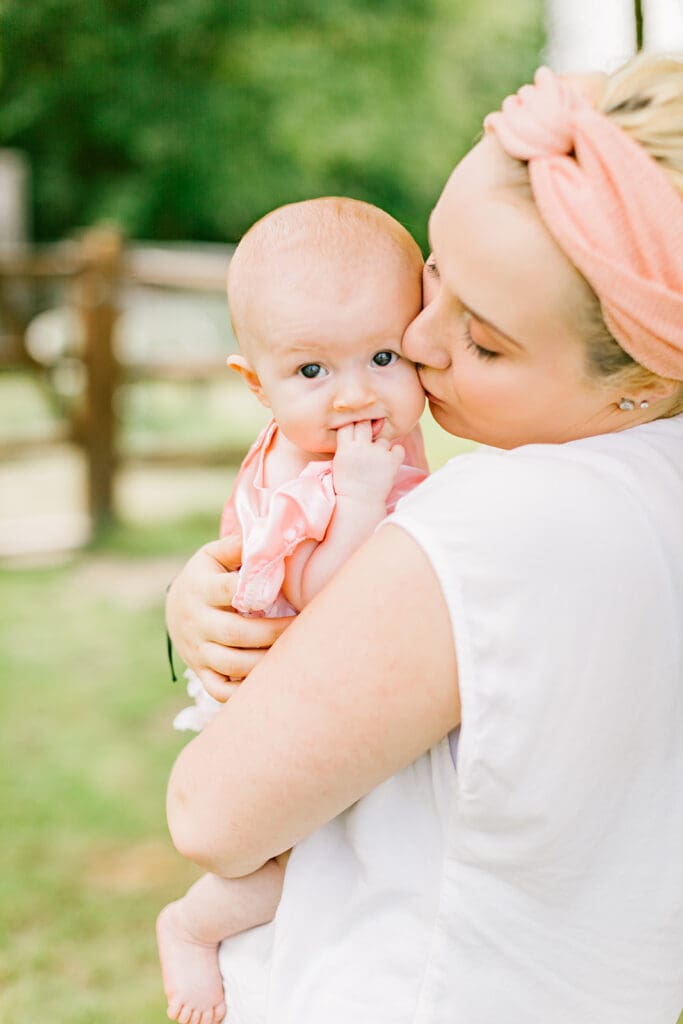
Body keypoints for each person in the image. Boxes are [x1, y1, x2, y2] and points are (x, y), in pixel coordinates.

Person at [164, 55, 683, 1024]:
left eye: (484, 339)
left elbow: (211, 811)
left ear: (642, 376)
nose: (420, 339)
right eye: (433, 274)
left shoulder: (488, 524)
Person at [157, 196, 429, 1024]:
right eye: (312, 372)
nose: (353, 395)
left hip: (322, 685)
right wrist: (357, 500)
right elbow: (321, 598)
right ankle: (191, 926)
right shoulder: (310, 481)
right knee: (279, 858)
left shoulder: (344, 442)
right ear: (257, 384)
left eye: (383, 355)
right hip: (271, 695)